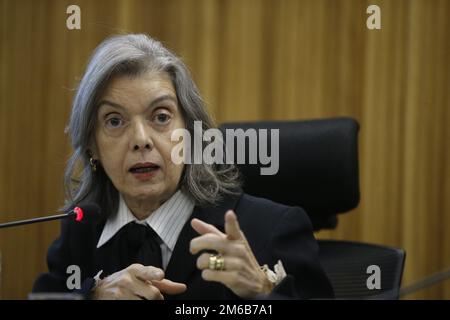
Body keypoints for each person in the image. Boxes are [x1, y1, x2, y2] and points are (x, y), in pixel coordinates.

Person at [32, 34, 333, 300]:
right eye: (114, 121)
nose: (140, 140)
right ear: (92, 146)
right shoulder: (81, 231)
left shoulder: (271, 230)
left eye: (161, 116)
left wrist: (262, 291)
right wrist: (92, 297)